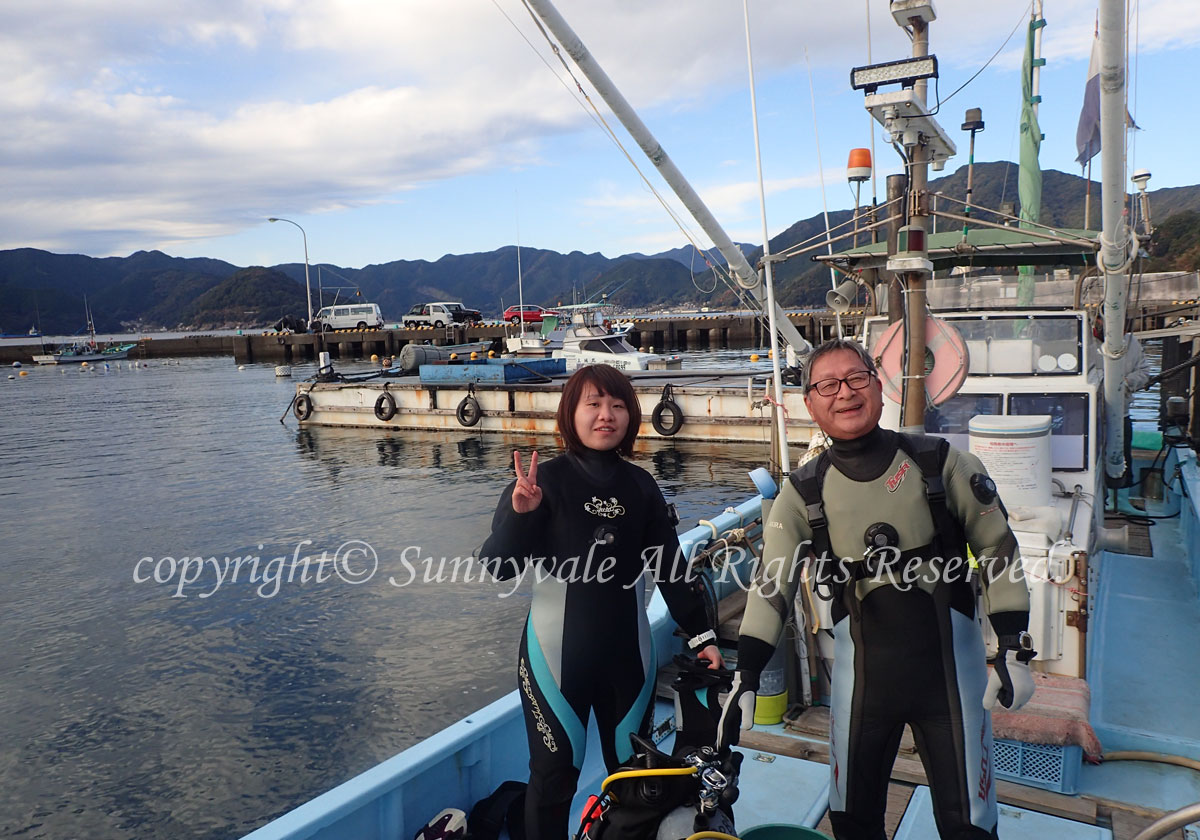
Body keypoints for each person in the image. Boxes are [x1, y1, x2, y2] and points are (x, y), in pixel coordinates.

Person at [719, 338, 1034, 840]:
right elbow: (771, 587)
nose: (843, 393)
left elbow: (999, 552)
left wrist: (1014, 649)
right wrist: (748, 673)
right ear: (810, 403)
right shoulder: (802, 494)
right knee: (853, 824)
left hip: (952, 684)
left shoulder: (942, 464)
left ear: (877, 387)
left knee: (970, 827)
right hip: (862, 690)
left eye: (855, 378)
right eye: (827, 385)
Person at [480, 364, 724, 840]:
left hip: (628, 661)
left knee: (635, 778)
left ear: (630, 417)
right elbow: (500, 567)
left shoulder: (641, 486)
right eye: (592, 403)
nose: (605, 415)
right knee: (553, 780)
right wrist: (520, 515)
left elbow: (670, 569)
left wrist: (703, 636)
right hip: (555, 662)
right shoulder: (540, 482)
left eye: (616, 405)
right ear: (570, 413)